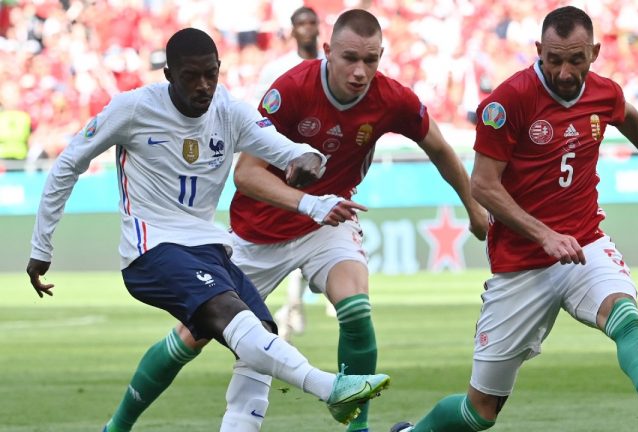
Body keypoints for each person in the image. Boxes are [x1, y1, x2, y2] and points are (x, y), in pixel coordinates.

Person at [106, 9, 488, 432]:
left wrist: (472, 207)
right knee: (189, 339)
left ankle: (358, 428)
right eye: (350, 59)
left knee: (357, 308)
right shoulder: (290, 90)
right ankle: (118, 425)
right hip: (259, 232)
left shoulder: (393, 98)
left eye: (371, 60)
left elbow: (438, 146)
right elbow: (247, 174)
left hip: (328, 224)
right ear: (327, 52)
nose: (361, 72)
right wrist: (307, 201)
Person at [23, 27, 389, 432]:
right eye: (191, 76)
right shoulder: (131, 109)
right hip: (151, 248)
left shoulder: (229, 111)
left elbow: (290, 149)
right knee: (238, 320)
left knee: (261, 338)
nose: (203, 86)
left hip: (209, 248)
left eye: (211, 74)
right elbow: (67, 164)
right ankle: (330, 389)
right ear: (168, 75)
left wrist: (310, 160)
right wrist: (42, 245)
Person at [390, 6, 638, 432]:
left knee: (623, 311)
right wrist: (544, 235)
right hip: (521, 263)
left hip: (584, 242)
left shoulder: (603, 93)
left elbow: (628, 115)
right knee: (480, 412)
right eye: (554, 59)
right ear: (539, 50)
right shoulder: (507, 102)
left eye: (576, 60)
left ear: (594, 53)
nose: (564, 71)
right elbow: (482, 185)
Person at [253, 5, 328, 342]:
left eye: (313, 22)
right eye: (302, 23)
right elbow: (259, 118)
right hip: (287, 164)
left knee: (320, 227)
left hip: (328, 161)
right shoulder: (276, 69)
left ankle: (300, 301)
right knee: (291, 230)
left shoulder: (333, 67)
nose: (308, 28)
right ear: (292, 29)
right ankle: (290, 305)